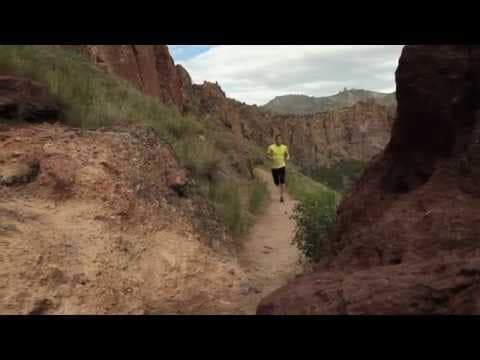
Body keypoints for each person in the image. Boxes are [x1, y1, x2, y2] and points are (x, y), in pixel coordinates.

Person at [266, 134, 290, 203]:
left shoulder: (284, 147)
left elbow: (287, 154)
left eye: (280, 139)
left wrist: (288, 157)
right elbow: (267, 155)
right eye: (277, 139)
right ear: (275, 140)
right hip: (274, 167)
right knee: (276, 182)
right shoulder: (271, 147)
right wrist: (271, 158)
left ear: (281, 140)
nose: (279, 140)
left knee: (282, 181)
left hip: (282, 166)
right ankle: (278, 184)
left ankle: (281, 196)